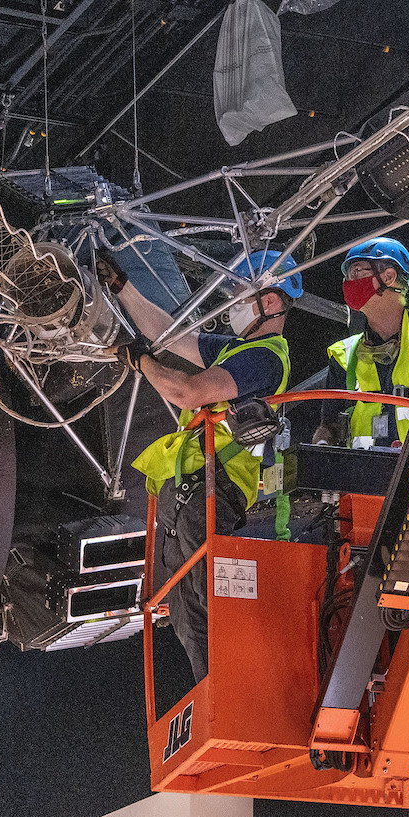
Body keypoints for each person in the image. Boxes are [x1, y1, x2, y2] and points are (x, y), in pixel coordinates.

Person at [97, 248, 301, 683]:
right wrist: (124, 288)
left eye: (239, 295)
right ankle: (217, 707)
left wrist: (140, 362)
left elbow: (187, 392)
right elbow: (172, 337)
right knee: (191, 621)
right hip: (188, 499)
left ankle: (234, 703)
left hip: (210, 497)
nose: (231, 306)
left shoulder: (263, 358)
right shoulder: (237, 350)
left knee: (211, 613)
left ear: (269, 302)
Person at [313, 238, 409, 449]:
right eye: (347, 275)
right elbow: (330, 425)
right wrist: (321, 447)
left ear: (388, 277)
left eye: (356, 271)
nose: (348, 281)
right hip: (362, 475)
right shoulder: (344, 356)